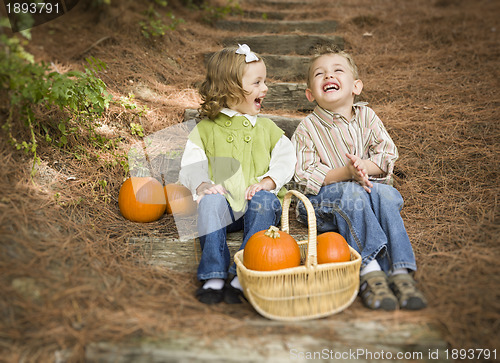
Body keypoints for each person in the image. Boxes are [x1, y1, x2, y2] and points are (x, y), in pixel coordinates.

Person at [291, 45, 427, 311]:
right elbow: (304, 174)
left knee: (386, 193)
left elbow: (387, 154)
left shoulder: (368, 117)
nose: (329, 76)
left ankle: (400, 273)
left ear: (356, 86)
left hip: (368, 192)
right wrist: (347, 173)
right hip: (323, 203)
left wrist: (364, 166)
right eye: (320, 74)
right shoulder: (307, 128)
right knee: (352, 193)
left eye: (337, 71)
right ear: (310, 94)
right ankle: (371, 272)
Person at [179, 44, 296, 305]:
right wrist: (202, 184)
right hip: (225, 210)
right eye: (256, 83)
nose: (264, 88)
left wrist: (268, 182)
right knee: (209, 202)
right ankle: (213, 275)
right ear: (230, 89)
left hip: (259, 208)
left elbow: (287, 158)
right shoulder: (206, 130)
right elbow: (192, 161)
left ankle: (243, 273)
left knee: (265, 200)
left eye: (264, 81)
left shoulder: (267, 128)